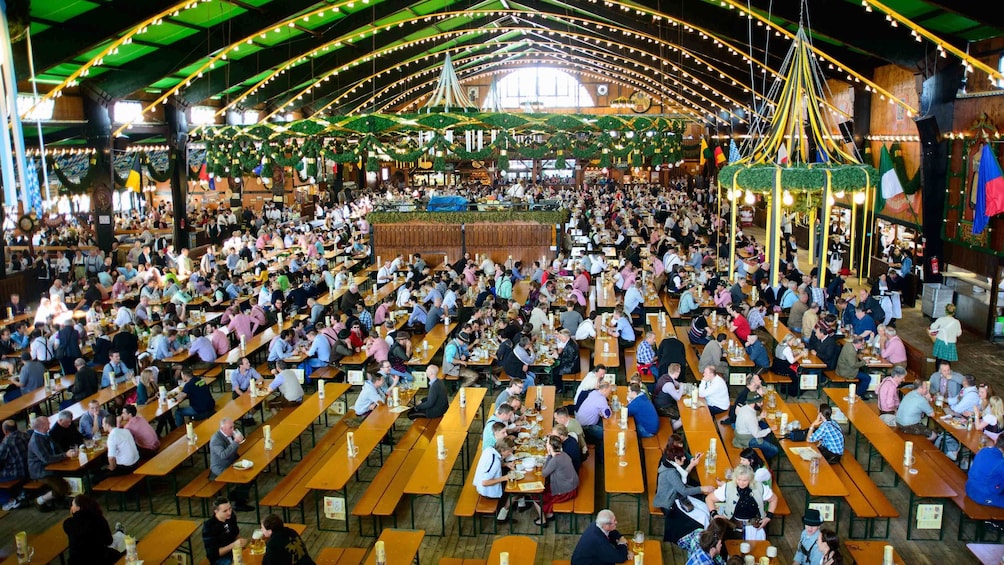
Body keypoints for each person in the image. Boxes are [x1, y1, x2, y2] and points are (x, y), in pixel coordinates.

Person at [654, 441, 714, 543]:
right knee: (702, 516)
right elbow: (683, 490)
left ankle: (708, 535)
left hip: (676, 496)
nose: (685, 458)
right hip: (669, 502)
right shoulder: (671, 473)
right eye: (682, 457)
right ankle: (706, 540)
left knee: (704, 507)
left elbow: (681, 485)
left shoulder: (671, 465)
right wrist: (702, 489)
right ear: (676, 459)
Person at [705, 464, 778, 540]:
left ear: (750, 479)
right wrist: (715, 515)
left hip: (755, 528)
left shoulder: (759, 487)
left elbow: (774, 499)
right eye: (738, 479)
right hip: (732, 527)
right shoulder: (728, 487)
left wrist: (769, 517)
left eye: (744, 480)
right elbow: (709, 499)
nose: (741, 483)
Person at [27, 416, 77, 511]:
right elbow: (46, 459)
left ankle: (64, 499)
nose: (50, 425)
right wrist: (65, 455)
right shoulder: (36, 441)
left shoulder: (45, 434)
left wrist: (66, 454)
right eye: (47, 423)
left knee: (71, 475)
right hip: (41, 471)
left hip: (53, 466)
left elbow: (56, 447)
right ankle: (40, 501)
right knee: (60, 487)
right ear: (42, 426)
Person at [209, 420, 254, 512]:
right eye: (231, 428)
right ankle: (239, 504)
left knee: (252, 473)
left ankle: (234, 495)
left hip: (232, 462)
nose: (233, 430)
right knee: (245, 478)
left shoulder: (229, 434)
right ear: (222, 429)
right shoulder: (216, 440)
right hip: (221, 467)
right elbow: (223, 455)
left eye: (233, 427)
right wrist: (235, 442)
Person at [63, 494, 120, 565]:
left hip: (76, 561)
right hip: (98, 559)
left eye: (73, 505)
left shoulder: (69, 523)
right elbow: (108, 541)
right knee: (117, 554)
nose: (71, 508)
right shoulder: (100, 519)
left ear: (78, 508)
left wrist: (74, 515)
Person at [474, 436, 516, 522]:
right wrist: (505, 478)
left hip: (479, 483)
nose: (510, 453)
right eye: (509, 451)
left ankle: (512, 507)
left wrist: (506, 464)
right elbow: (485, 482)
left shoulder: (489, 450)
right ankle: (501, 516)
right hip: (487, 491)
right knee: (514, 491)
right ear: (503, 450)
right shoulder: (495, 462)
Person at [202, 497, 248, 565]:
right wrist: (233, 545)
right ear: (216, 511)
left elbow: (236, 534)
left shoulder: (231, 517)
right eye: (225, 511)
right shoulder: (209, 526)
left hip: (235, 551)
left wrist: (241, 544)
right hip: (220, 559)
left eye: (230, 508)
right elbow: (212, 554)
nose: (229, 512)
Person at [734, 395, 778, 460]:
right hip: (747, 440)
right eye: (759, 402)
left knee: (765, 431)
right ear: (753, 403)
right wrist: (770, 429)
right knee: (774, 450)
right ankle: (763, 460)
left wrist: (760, 417)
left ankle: (763, 451)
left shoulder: (745, 408)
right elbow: (757, 434)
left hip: (740, 434)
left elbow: (750, 423)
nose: (761, 404)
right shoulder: (750, 416)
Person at [966, 434, 1004, 509]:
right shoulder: (1000, 463)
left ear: (996, 441)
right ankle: (992, 521)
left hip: (969, 488)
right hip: (982, 496)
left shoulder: (984, 450)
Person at [0, 420, 29, 509]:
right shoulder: (26, 435)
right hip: (28, 469)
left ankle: (7, 501)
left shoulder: (6, 443)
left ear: (5, 431)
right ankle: (21, 492)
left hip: (16, 473)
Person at [578, 382, 614, 446]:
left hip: (580, 422)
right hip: (585, 427)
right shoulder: (601, 399)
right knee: (606, 434)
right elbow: (608, 415)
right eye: (609, 391)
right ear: (605, 390)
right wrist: (607, 408)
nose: (610, 393)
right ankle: (600, 453)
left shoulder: (594, 392)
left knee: (606, 426)